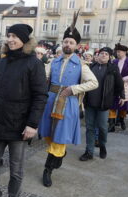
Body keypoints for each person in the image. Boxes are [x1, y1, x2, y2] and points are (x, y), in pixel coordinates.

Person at [0, 24, 48, 197]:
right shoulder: (3, 61)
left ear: (25, 40)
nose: (10, 39)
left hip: (19, 125)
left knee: (16, 170)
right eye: (9, 35)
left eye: (15, 36)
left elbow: (40, 96)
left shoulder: (34, 64)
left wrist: (32, 124)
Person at [38, 11, 98, 187]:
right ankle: (58, 155)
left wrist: (74, 89)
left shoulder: (81, 65)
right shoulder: (54, 61)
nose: (68, 44)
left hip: (68, 104)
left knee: (59, 138)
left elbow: (93, 82)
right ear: (62, 43)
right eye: (65, 41)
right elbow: (42, 77)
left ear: (76, 46)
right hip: (50, 102)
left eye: (71, 42)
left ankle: (47, 169)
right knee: (49, 135)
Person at [79, 47, 124, 161]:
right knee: (90, 127)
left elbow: (119, 84)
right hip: (90, 103)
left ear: (109, 57)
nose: (104, 55)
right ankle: (89, 151)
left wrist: (122, 96)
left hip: (104, 104)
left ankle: (102, 145)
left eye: (106, 54)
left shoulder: (113, 68)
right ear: (97, 55)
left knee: (103, 127)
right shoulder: (91, 67)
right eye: (102, 53)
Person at [108, 43, 128, 132]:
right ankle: (111, 125)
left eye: (119, 52)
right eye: (117, 51)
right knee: (112, 105)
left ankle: (121, 120)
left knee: (123, 107)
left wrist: (124, 79)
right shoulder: (114, 61)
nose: (117, 53)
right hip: (113, 87)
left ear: (124, 52)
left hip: (125, 87)